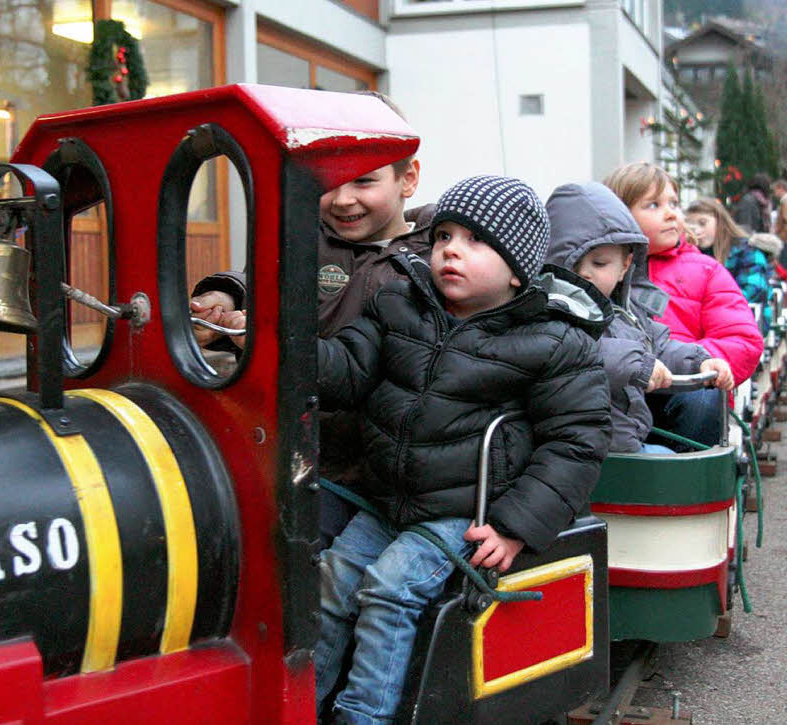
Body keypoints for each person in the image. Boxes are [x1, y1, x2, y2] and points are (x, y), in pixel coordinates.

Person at [304, 175, 612, 724]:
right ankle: (303, 705)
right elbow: (348, 370)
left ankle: (363, 717)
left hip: (464, 510)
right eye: (444, 234)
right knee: (330, 582)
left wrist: (515, 525)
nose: (450, 249)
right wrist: (287, 347)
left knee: (390, 590)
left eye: (475, 241)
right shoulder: (400, 301)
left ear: (517, 267)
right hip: (388, 498)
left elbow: (576, 441)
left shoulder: (553, 341)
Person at [191, 93, 435, 547]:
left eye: (363, 181)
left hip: (375, 474)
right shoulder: (306, 242)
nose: (343, 199)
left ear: (408, 178)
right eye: (328, 180)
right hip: (297, 452)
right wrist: (223, 302)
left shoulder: (434, 260)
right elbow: (260, 284)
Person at [545, 182, 732, 454]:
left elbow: (659, 345)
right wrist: (637, 363)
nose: (585, 274)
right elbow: (570, 349)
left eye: (599, 264)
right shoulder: (554, 308)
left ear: (624, 266)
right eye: (571, 265)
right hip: (588, 447)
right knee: (671, 468)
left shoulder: (626, 309)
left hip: (625, 437)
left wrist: (700, 360)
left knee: (684, 445)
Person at [604, 162, 763, 447]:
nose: (671, 213)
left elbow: (742, 340)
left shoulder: (704, 270)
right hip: (620, 391)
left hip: (679, 392)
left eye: (674, 203)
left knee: (703, 400)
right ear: (619, 215)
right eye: (653, 205)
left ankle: (687, 482)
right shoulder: (603, 270)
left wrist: (692, 368)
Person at [686, 197, 772, 329]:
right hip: (702, 323)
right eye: (690, 225)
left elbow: (752, 291)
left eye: (702, 223)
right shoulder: (686, 254)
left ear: (720, 222)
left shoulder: (747, 251)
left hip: (742, 324)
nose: (696, 230)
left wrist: (705, 308)